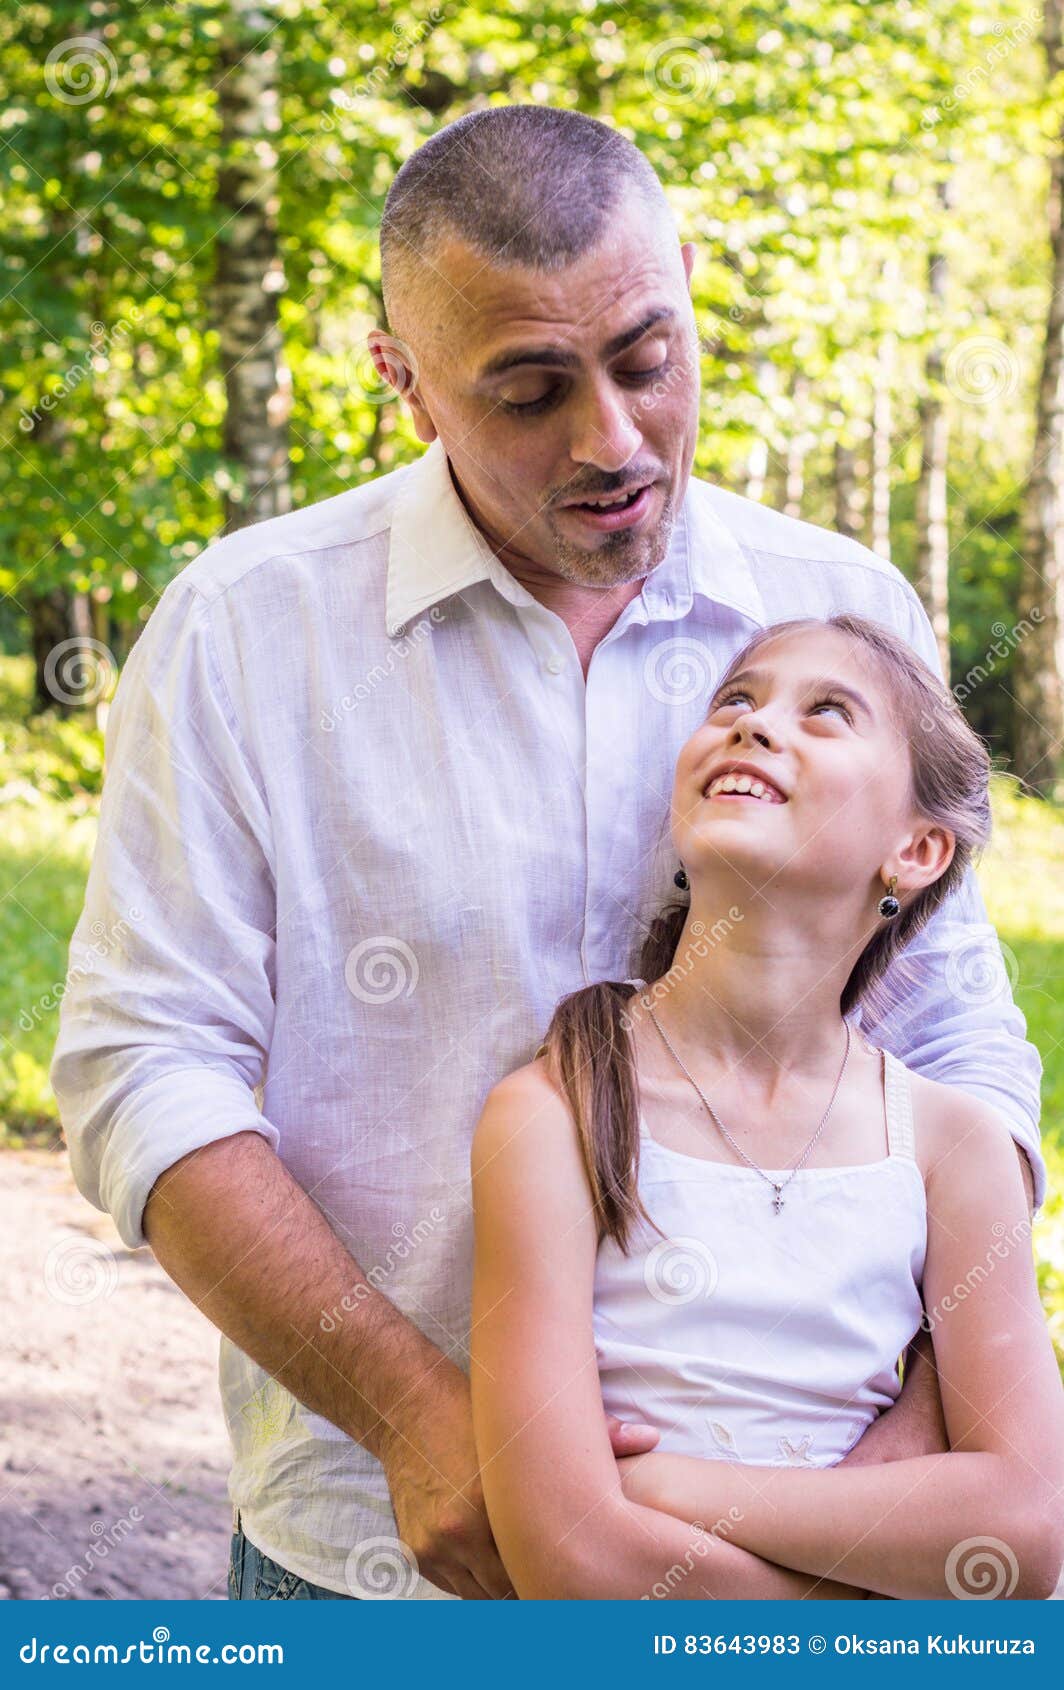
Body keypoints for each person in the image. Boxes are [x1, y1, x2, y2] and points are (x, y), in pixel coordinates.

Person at [50, 105, 1043, 1603]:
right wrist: (419, 1416)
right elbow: (145, 1067)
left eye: (647, 356)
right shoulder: (248, 628)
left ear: (688, 283)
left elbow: (956, 1035)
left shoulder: (838, 603)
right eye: (527, 391)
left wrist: (923, 1431)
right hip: (374, 1560)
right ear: (404, 382)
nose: (613, 439)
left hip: (837, 1558)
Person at [470, 612, 1064, 1600]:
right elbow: (568, 1561)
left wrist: (666, 1486)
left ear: (915, 849)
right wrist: (877, 1598)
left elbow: (1027, 1528)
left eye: (825, 713)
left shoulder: (947, 1147)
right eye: (733, 701)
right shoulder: (555, 1113)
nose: (753, 724)